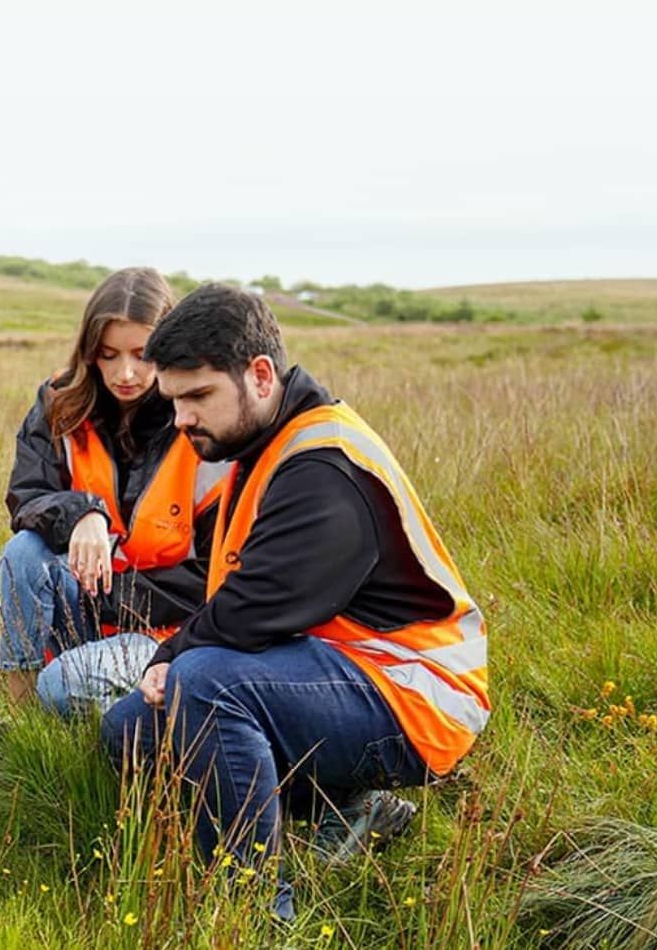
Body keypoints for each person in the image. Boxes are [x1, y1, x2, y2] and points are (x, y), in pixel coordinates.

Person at [98, 284, 490, 918]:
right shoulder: (264, 441)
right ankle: (346, 807)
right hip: (332, 669)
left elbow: (258, 606)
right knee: (130, 732)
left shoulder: (323, 464)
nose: (183, 420)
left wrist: (167, 655)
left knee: (205, 684)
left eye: (198, 396)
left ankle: (253, 910)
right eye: (173, 401)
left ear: (258, 376)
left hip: (414, 688)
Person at [0, 267, 230, 716]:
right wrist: (85, 511)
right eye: (107, 355)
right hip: (88, 604)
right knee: (23, 553)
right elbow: (26, 497)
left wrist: (110, 597)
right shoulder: (58, 400)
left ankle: (148, 728)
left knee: (62, 687)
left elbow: (214, 577)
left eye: (143, 355)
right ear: (89, 353)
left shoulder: (203, 422)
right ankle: (19, 724)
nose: (125, 373)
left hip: (165, 630)